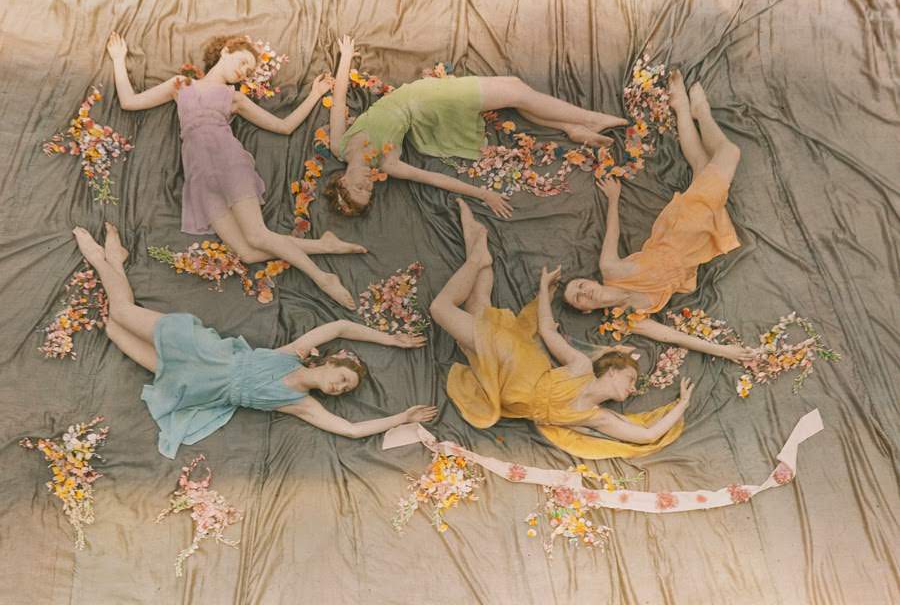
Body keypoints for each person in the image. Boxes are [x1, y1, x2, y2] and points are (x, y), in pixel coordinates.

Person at [71, 224, 436, 459]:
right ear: (329, 363)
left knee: (111, 329)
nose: (339, 387)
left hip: (196, 386)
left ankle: (115, 264)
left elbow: (353, 429)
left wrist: (402, 417)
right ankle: (103, 260)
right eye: (343, 377)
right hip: (202, 351)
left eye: (343, 389)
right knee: (120, 312)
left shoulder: (300, 404)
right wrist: (391, 339)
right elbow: (340, 325)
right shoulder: (292, 354)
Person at [105, 31, 363, 309]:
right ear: (226, 51)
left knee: (256, 235)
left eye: (249, 71)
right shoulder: (181, 84)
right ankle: (325, 246)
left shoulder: (233, 97)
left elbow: (284, 126)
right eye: (242, 62)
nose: (243, 73)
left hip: (228, 162)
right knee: (247, 253)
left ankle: (323, 277)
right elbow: (129, 102)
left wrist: (315, 94)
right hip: (199, 177)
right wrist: (119, 59)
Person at [428, 201, 692, 459]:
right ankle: (476, 259)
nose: (633, 388)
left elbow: (646, 435)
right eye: (630, 379)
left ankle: (474, 239)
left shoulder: (596, 417)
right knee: (441, 309)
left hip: (502, 386)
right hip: (513, 359)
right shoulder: (581, 367)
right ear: (612, 372)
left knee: (479, 307)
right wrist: (544, 288)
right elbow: (546, 330)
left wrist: (682, 404)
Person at [324, 35, 629, 219]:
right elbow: (433, 179)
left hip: (421, 98)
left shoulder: (339, 145)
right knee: (517, 91)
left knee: (515, 90)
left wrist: (346, 60)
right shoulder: (387, 164)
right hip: (434, 104)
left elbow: (338, 102)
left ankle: (570, 126)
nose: (369, 184)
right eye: (370, 191)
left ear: (342, 182)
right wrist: (484, 195)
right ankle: (588, 119)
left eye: (359, 187)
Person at [563, 72, 754, 362]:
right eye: (578, 298)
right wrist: (723, 351)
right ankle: (684, 110)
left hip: (681, 228)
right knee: (702, 164)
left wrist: (614, 198)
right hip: (694, 254)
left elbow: (612, 232)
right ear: (586, 310)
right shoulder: (629, 319)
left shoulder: (610, 269)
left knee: (730, 152)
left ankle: (700, 113)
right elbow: (670, 335)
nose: (583, 291)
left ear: (589, 281)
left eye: (579, 285)